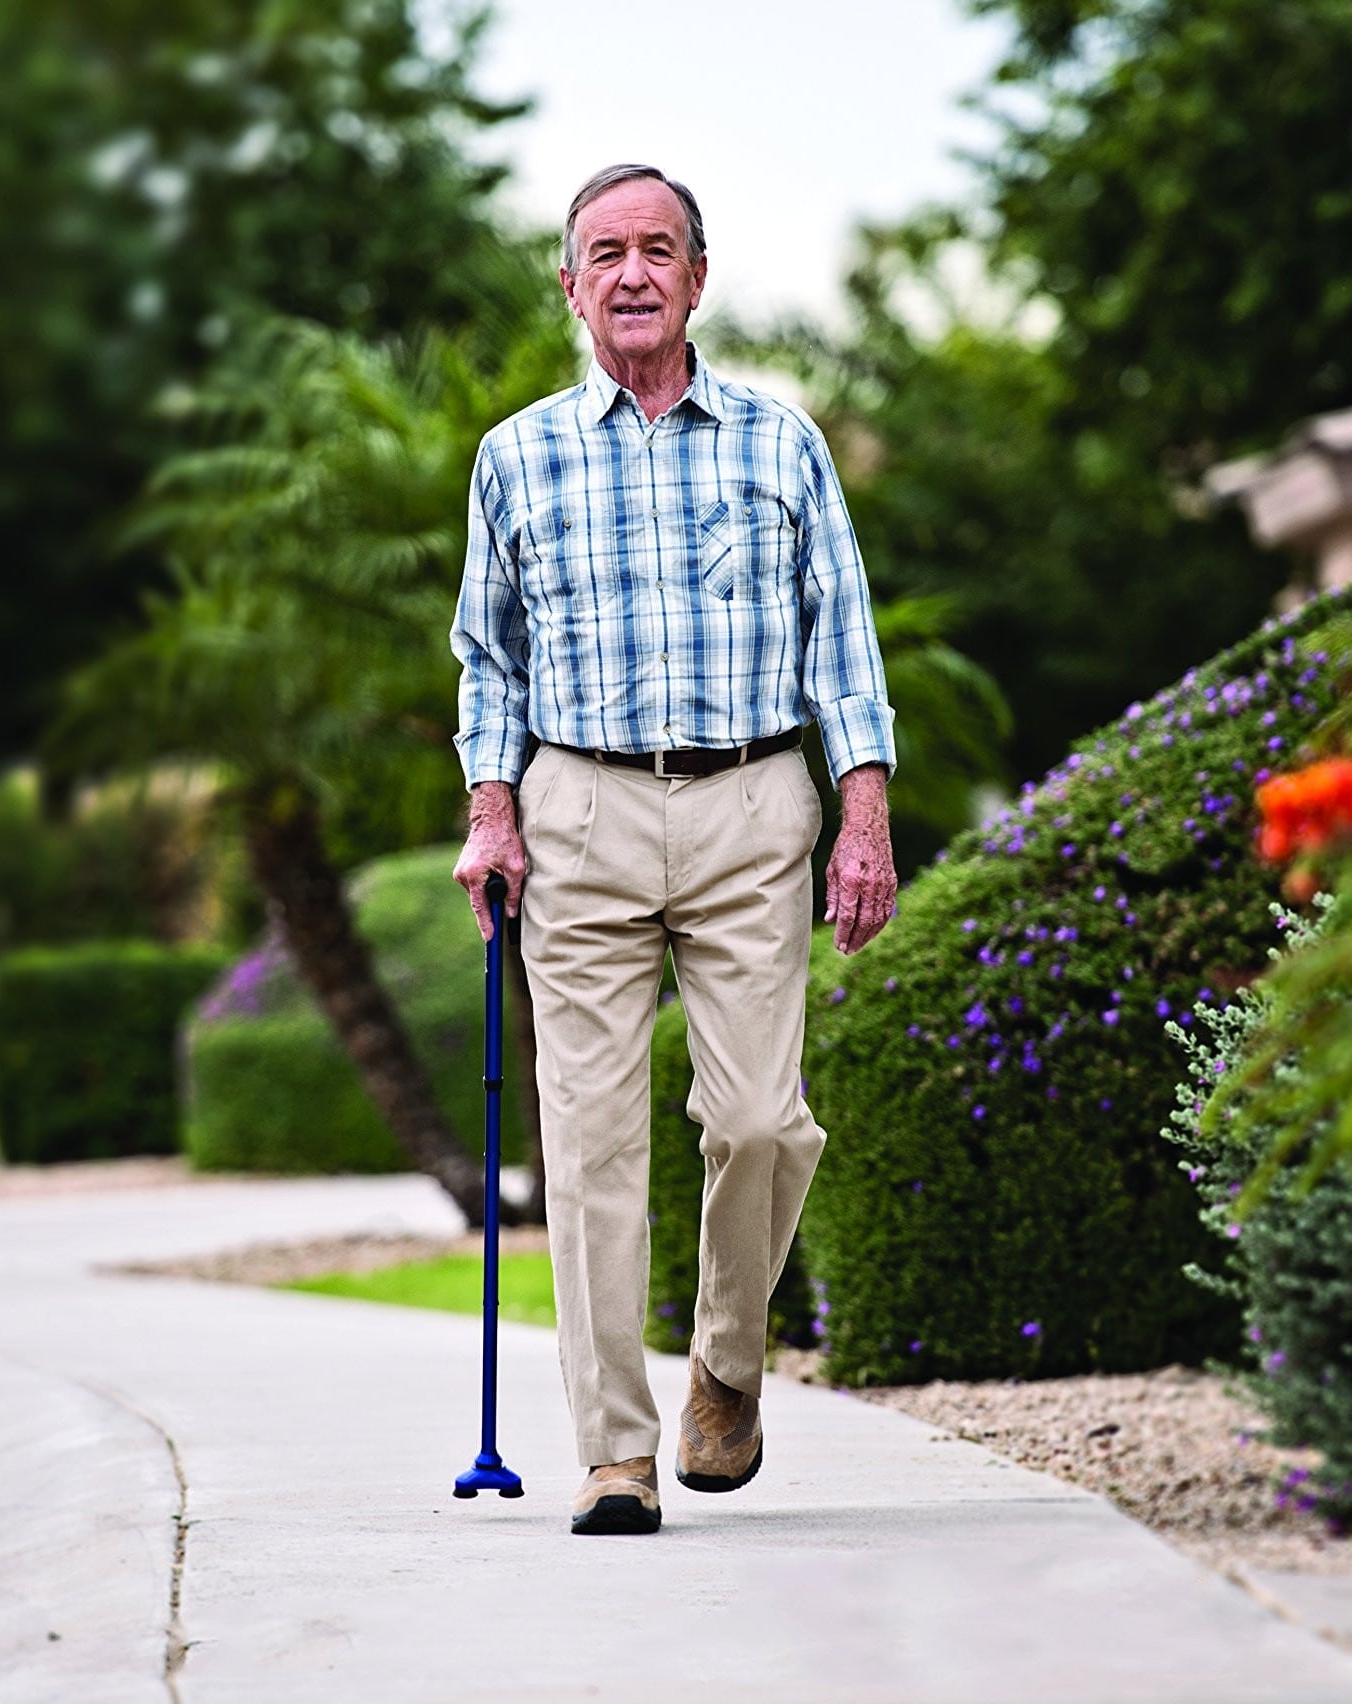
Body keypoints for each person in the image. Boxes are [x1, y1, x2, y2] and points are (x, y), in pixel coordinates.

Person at [450, 163, 899, 1536]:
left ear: (697, 278)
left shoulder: (782, 441)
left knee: (761, 1121)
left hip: (754, 805)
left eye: (658, 250)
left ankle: (728, 1363)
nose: (633, 273)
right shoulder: (515, 454)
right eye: (606, 253)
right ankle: (614, 1454)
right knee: (586, 1147)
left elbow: (848, 638)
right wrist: (490, 812)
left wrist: (864, 809)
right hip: (577, 810)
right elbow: (488, 658)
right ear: (572, 285)